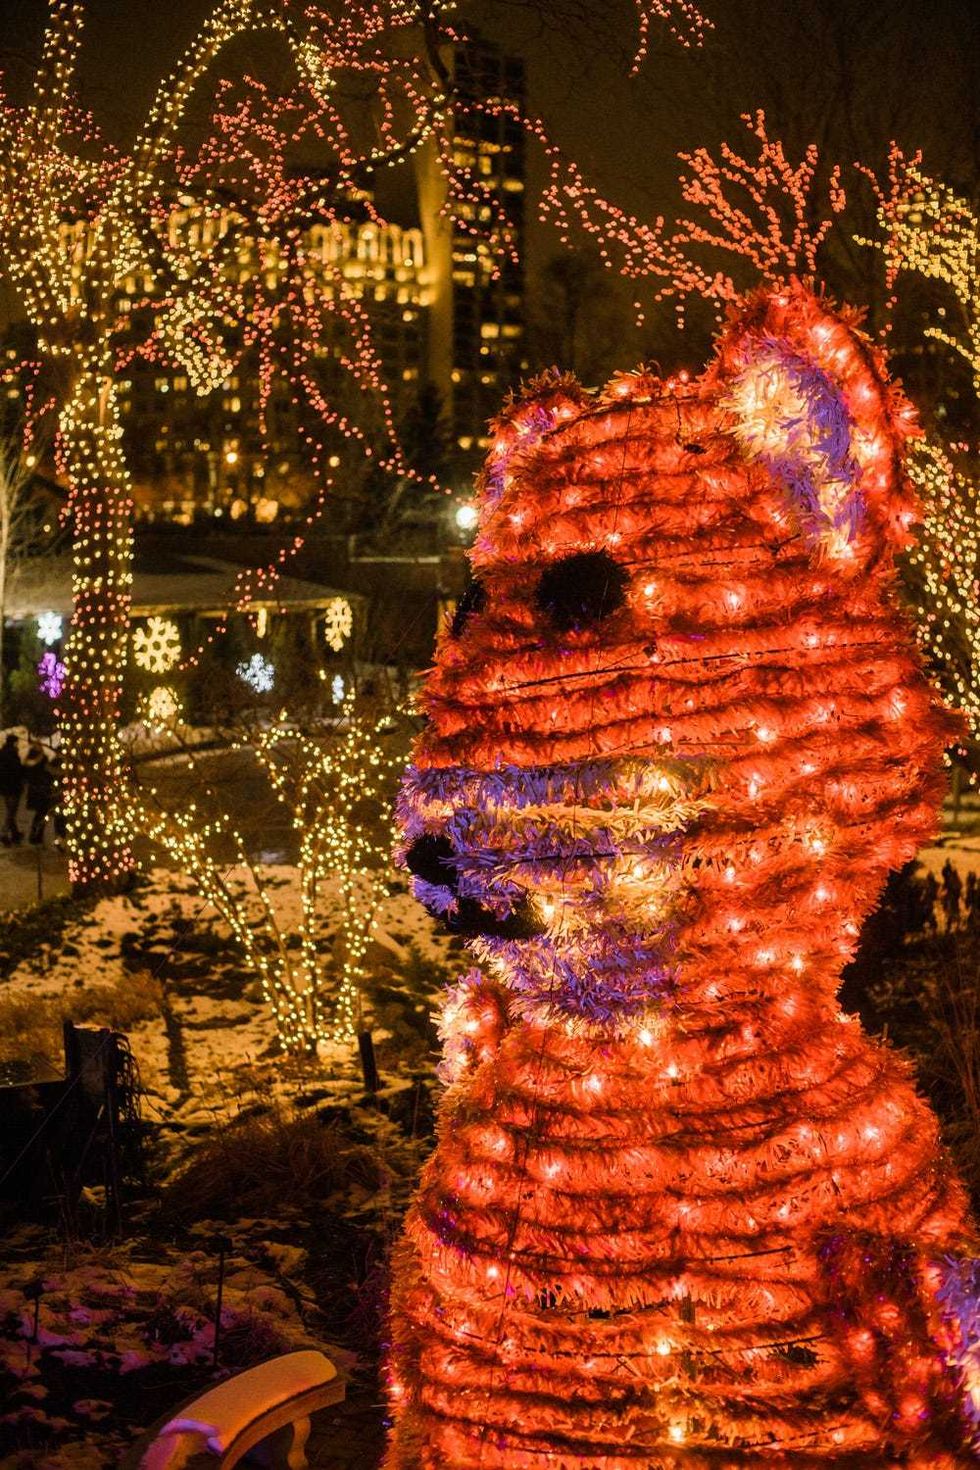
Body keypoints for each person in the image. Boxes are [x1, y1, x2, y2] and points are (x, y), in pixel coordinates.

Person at [23, 744, 54, 846]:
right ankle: (35, 835)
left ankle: (37, 835)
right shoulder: (38, 759)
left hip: (41, 790)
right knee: (41, 814)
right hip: (41, 791)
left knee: (41, 814)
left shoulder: (38, 758)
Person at [0, 732, 24, 845]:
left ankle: (15, 834)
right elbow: (18, 771)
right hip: (13, 787)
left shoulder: (2, 753)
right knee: (11, 812)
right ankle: (4, 834)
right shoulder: (13, 754)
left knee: (11, 811)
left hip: (4, 787)